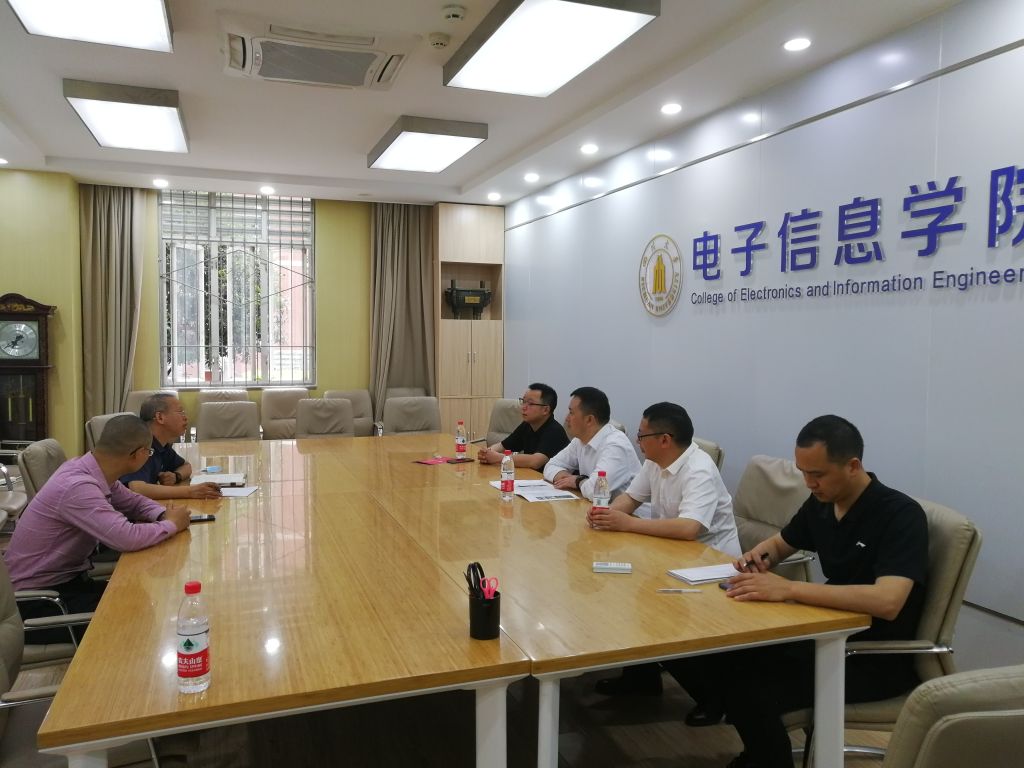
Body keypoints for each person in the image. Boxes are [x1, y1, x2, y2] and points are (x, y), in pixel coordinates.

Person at [714, 415, 929, 768]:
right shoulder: (822, 502)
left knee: (750, 689)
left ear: (853, 466)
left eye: (817, 474)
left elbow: (887, 601)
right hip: (823, 634)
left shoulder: (900, 515)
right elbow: (781, 544)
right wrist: (757, 559)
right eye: (803, 472)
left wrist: (789, 589)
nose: (809, 483)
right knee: (730, 659)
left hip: (870, 656)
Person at [589, 401, 741, 703]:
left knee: (650, 602)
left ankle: (711, 699)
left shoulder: (699, 469)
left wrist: (628, 524)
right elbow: (631, 498)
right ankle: (640, 680)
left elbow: (689, 528)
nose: (637, 441)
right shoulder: (654, 462)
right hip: (672, 554)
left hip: (709, 566)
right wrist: (606, 513)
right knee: (631, 596)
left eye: (641, 435)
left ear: (664, 440)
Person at [4, 415, 192, 641]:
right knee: (138, 619)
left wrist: (163, 514)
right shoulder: (78, 487)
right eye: (149, 452)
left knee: (143, 600)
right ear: (138, 454)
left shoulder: (91, 469)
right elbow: (126, 538)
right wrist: (172, 524)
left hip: (66, 584)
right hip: (36, 601)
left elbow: (133, 502)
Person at [543, 387, 641, 500]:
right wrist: (567, 479)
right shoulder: (580, 440)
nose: (566, 418)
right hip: (596, 506)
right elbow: (550, 466)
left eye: (571, 413)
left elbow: (596, 491)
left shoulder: (615, 445)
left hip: (627, 510)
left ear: (589, 420)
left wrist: (577, 481)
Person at [120, 393, 221, 500]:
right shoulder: (139, 444)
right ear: (160, 417)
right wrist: (190, 491)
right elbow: (136, 489)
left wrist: (176, 476)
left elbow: (186, 466)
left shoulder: (161, 445)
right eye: (180, 412)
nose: (185, 418)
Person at [477, 383, 569, 470]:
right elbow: (503, 445)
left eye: (530, 403)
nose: (523, 407)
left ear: (545, 410)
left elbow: (535, 461)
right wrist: (487, 452)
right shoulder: (527, 425)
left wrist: (498, 458)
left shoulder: (555, 431)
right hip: (532, 476)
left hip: (555, 480)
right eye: (523, 401)